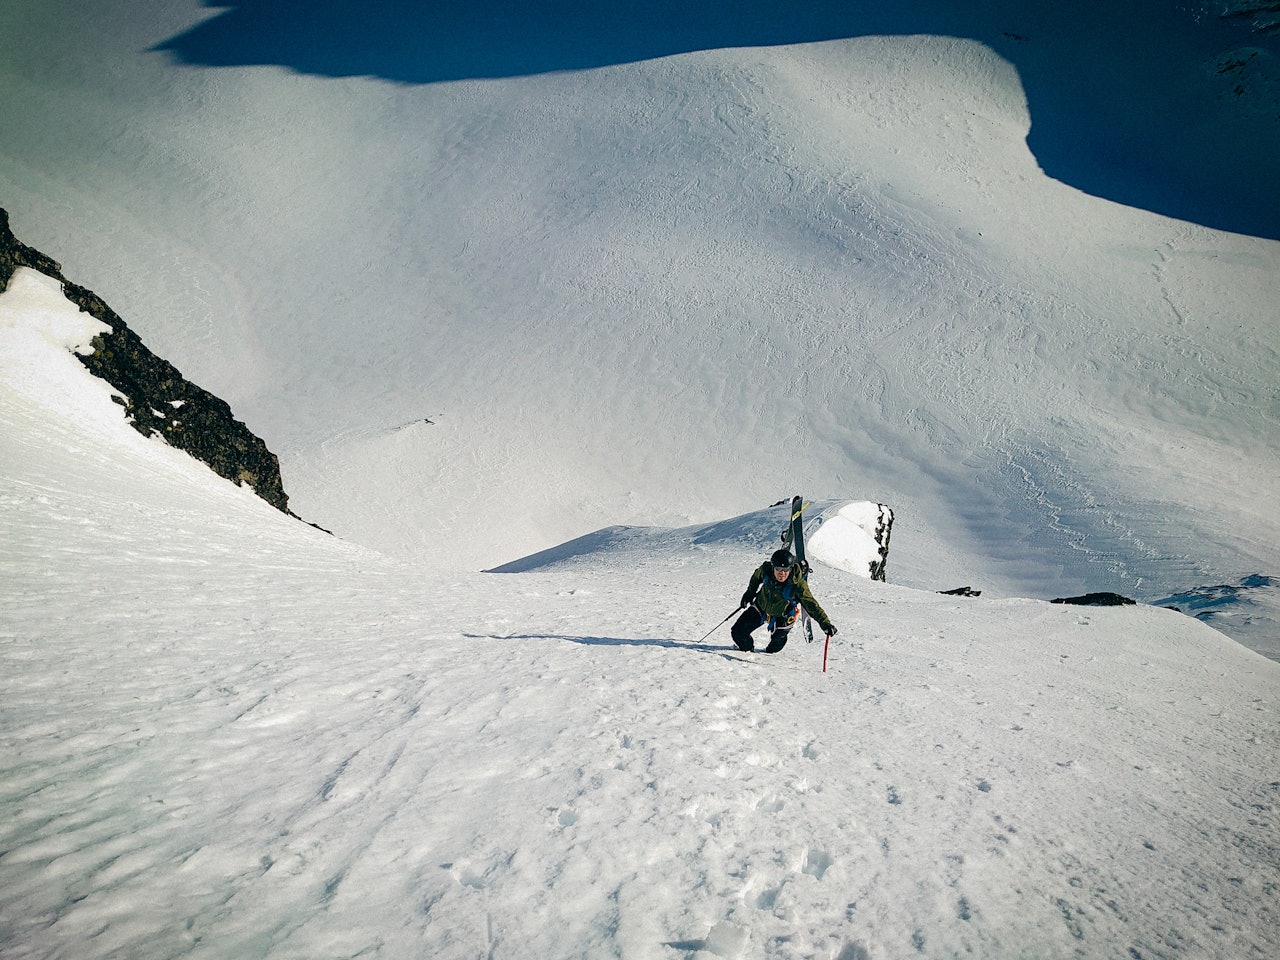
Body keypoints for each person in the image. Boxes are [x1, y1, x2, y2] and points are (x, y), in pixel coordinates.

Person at [732, 548, 837, 653]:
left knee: (774, 647)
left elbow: (812, 605)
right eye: (778, 569)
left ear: (790, 569)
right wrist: (749, 593)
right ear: (773, 567)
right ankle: (748, 650)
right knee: (738, 632)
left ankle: (771, 650)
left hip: (783, 615)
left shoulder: (798, 585)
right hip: (761, 607)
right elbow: (756, 577)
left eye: (786, 570)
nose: (782, 573)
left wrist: (825, 623)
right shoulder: (766, 570)